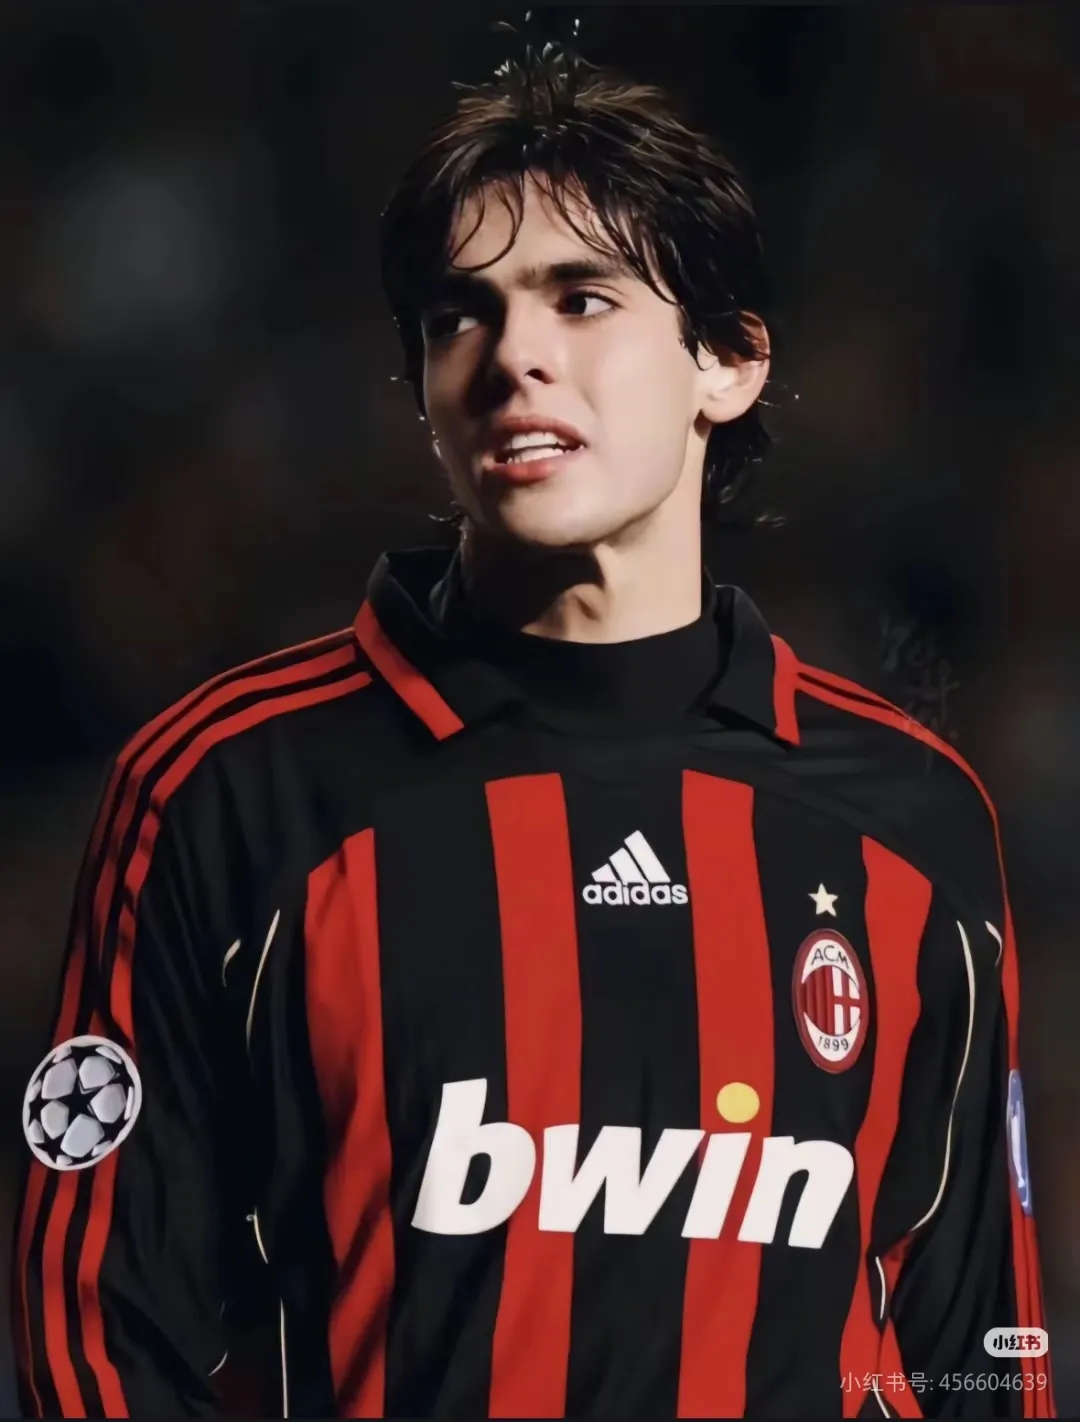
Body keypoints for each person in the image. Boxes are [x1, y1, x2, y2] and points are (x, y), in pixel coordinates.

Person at [12, 35, 1054, 1422]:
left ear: (728, 362)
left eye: (582, 298)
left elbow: (977, 1347)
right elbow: (99, 1333)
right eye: (461, 315)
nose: (513, 357)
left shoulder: (913, 817)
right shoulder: (227, 789)